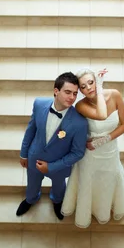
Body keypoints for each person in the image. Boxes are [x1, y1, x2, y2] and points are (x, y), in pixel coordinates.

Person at [61, 67, 124, 228]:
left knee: (109, 179)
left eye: (91, 83)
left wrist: (103, 140)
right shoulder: (80, 106)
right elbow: (101, 115)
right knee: (88, 180)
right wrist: (99, 90)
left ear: (97, 81)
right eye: (83, 87)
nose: (88, 88)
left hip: (109, 150)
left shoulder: (115, 95)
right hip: (90, 155)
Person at [17, 72, 89, 220]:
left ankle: (57, 201)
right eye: (67, 92)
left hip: (59, 166)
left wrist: (51, 167)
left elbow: (78, 153)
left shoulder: (80, 122)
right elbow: (31, 130)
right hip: (34, 157)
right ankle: (30, 199)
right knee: (32, 184)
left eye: (75, 94)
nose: (72, 98)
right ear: (56, 91)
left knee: (59, 188)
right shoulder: (39, 104)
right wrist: (24, 154)